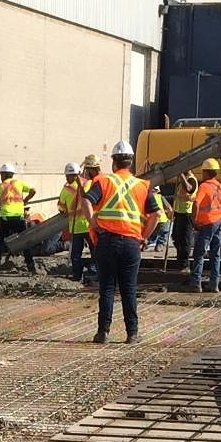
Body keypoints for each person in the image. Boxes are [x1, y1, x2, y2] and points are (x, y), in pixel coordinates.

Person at [83, 140, 162, 344]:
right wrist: (144, 236)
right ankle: (132, 334)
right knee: (129, 289)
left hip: (106, 241)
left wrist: (93, 222)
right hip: (131, 244)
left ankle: (103, 332)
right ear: (131, 162)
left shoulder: (104, 182)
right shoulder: (143, 185)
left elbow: (86, 200)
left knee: (107, 288)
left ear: (114, 162)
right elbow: (156, 214)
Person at [188, 159, 221, 292]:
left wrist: (194, 220)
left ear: (205, 172)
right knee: (215, 254)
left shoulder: (204, 186)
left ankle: (196, 284)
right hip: (219, 222)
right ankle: (214, 284)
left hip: (207, 224)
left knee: (199, 253)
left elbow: (196, 204)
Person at [0, 163, 38, 273]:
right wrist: (25, 200)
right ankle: (30, 265)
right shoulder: (19, 183)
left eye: (1, 174)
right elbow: (33, 190)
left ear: (4, 174)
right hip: (18, 218)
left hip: (5, 218)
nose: (0, 176)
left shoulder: (0, 186)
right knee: (24, 242)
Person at [58, 162, 94, 284]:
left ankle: (77, 275)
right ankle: (94, 272)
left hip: (77, 226)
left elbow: (61, 208)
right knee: (95, 251)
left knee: (76, 254)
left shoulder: (66, 189)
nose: (66, 178)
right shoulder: (88, 184)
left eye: (67, 175)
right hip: (90, 225)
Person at [170, 169, 198, 271]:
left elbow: (189, 189)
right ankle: (180, 260)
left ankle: (184, 264)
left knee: (185, 240)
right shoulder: (183, 179)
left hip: (187, 213)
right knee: (176, 237)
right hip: (179, 213)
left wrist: (181, 175)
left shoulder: (191, 180)